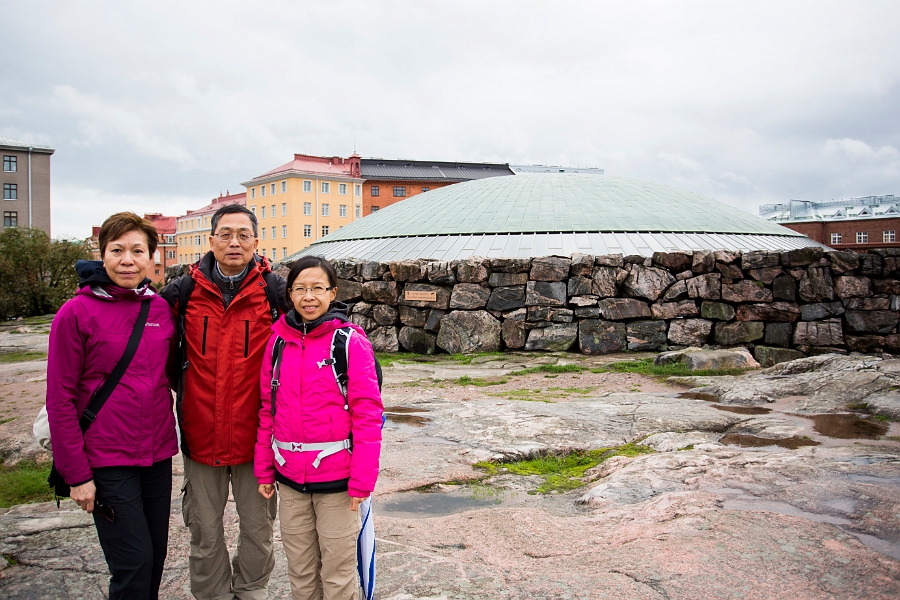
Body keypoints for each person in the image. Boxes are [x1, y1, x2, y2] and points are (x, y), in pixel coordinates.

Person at [46, 212, 178, 599]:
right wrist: (77, 475)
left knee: (154, 559)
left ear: (151, 259)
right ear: (102, 255)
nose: (127, 260)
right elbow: (60, 399)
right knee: (132, 566)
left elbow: (172, 374)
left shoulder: (158, 310)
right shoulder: (76, 313)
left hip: (156, 455)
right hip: (106, 459)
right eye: (117, 250)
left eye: (137, 251)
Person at [161, 203, 289, 600]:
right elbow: (159, 356)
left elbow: (322, 322)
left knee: (258, 530)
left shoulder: (276, 292)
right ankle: (213, 595)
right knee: (204, 530)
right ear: (211, 240)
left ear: (255, 241)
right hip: (201, 438)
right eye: (226, 234)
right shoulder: (182, 293)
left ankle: (250, 592)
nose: (234, 242)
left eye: (243, 235)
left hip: (257, 440)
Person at [255, 255, 383, 600]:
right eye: (300, 289)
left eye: (317, 288)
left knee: (338, 572)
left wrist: (362, 481)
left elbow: (368, 416)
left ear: (332, 293)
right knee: (300, 570)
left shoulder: (349, 343)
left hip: (338, 483)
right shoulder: (277, 341)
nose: (308, 297)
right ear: (290, 295)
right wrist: (264, 470)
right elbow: (268, 410)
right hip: (290, 481)